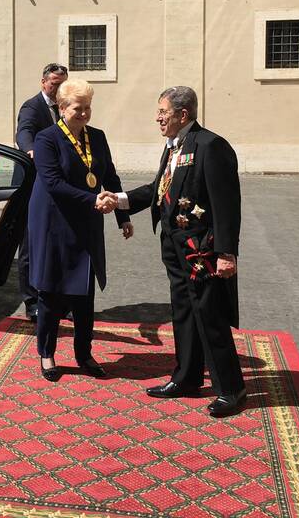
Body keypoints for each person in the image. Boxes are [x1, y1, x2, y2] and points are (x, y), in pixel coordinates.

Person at [102, 86, 245, 418]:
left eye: (163, 112)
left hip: (202, 252)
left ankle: (231, 388)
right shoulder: (173, 148)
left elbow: (226, 205)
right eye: (158, 111)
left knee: (210, 318)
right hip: (174, 248)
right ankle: (187, 378)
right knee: (184, 314)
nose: (157, 118)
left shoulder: (211, 146)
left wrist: (226, 252)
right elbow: (158, 189)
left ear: (183, 114)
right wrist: (119, 200)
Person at [28, 78, 132, 382]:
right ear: (62, 108)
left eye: (88, 108)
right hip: (53, 223)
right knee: (51, 292)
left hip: (87, 220)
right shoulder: (46, 139)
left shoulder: (97, 137)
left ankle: (84, 354)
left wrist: (122, 216)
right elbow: (53, 184)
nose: (84, 113)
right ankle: (46, 353)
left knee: (84, 293)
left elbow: (109, 177)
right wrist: (93, 199)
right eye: (78, 108)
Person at [15, 63, 69, 320]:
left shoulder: (66, 107)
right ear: (43, 82)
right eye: (54, 84)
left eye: (62, 84)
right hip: (34, 182)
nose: (58, 89)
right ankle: (31, 301)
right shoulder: (32, 106)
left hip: (61, 185)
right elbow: (24, 132)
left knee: (61, 242)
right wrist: (31, 150)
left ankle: (63, 300)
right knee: (30, 244)